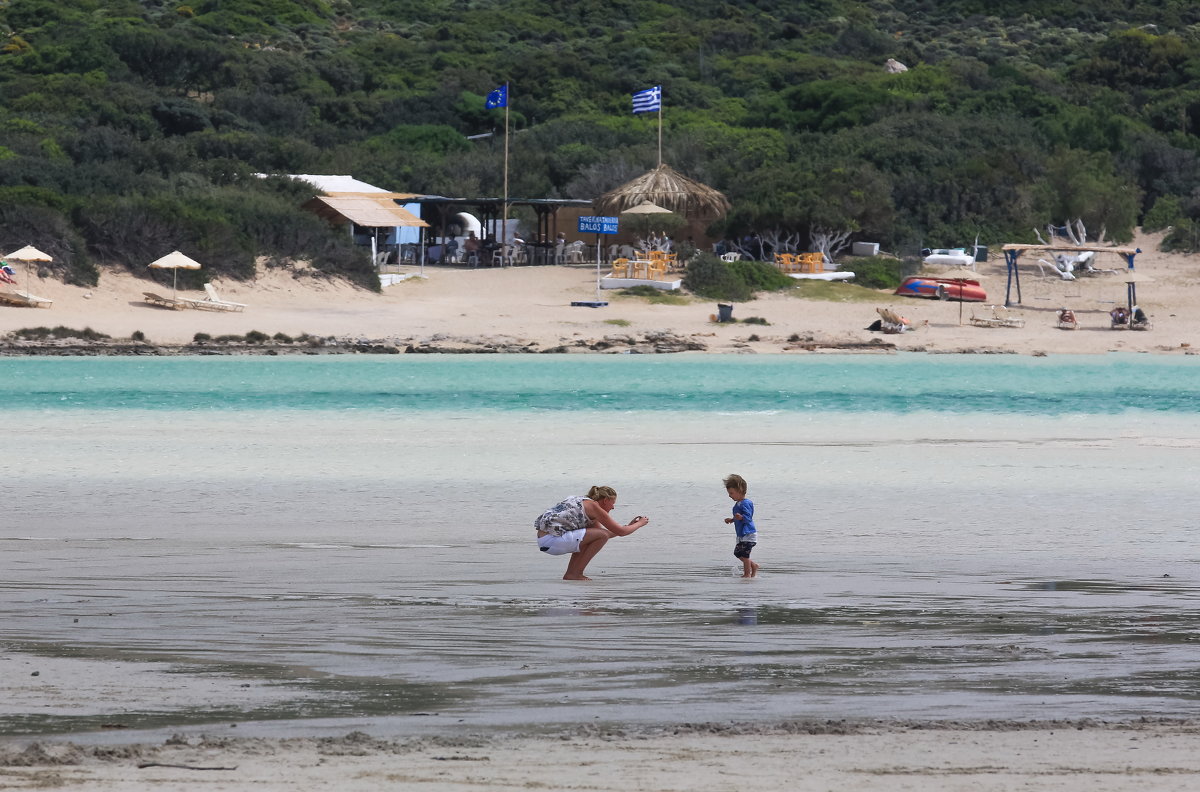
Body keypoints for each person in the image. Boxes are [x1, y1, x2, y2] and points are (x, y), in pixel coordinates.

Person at [535, 486, 649, 580]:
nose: (613, 507)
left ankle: (572, 574)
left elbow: (604, 534)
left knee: (599, 535)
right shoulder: (594, 507)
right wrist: (640, 524)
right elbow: (619, 533)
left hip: (546, 540)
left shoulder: (583, 503)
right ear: (605, 500)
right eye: (613, 503)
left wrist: (629, 526)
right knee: (601, 535)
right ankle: (574, 574)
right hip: (552, 540)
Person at [723, 474, 759, 578]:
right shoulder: (737, 504)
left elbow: (748, 518)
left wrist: (741, 517)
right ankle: (754, 566)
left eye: (731, 493)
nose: (730, 496)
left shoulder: (746, 503)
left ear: (740, 490)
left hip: (749, 534)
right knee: (737, 553)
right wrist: (732, 519)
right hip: (741, 534)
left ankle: (747, 574)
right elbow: (738, 517)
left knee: (744, 554)